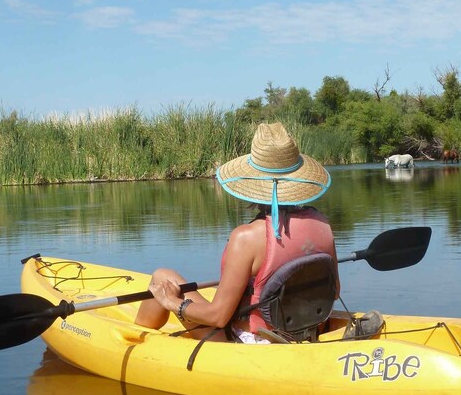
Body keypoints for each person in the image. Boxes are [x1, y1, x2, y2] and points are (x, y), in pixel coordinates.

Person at [135, 122, 338, 343]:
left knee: (162, 277)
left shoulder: (246, 237)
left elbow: (218, 317)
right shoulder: (322, 224)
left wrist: (174, 303)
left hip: (250, 342)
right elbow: (334, 292)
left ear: (252, 182)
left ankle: (137, 342)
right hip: (306, 333)